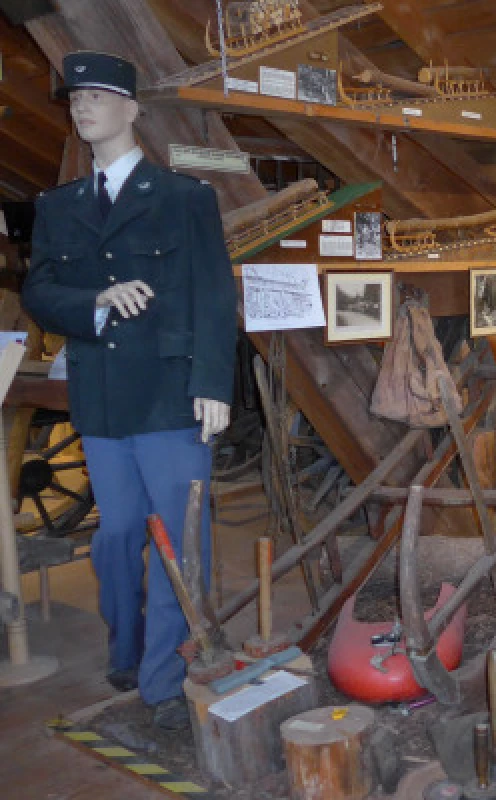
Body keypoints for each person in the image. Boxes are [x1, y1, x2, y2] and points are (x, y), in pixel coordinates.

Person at [22, 51, 237, 729]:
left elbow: (212, 293)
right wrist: (97, 297)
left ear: (131, 110)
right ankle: (129, 644)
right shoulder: (58, 207)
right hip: (105, 398)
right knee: (116, 537)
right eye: (75, 98)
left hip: (172, 395)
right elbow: (40, 292)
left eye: (97, 95)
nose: (81, 106)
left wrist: (212, 383)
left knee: (179, 538)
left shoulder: (184, 198)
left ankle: (164, 677)